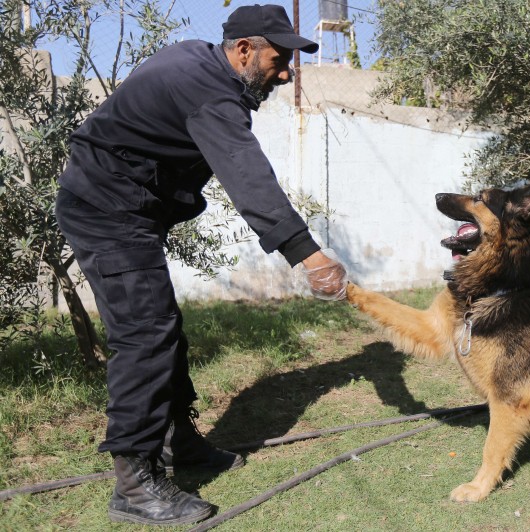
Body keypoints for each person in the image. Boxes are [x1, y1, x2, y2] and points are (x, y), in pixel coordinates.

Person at [54, 4, 347, 526]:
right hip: (106, 211)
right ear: (243, 50)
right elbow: (248, 177)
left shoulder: (200, 62)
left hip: (129, 211)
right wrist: (311, 257)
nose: (285, 74)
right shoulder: (209, 90)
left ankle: (179, 441)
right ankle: (134, 483)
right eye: (279, 61)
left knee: (164, 329)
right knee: (145, 336)